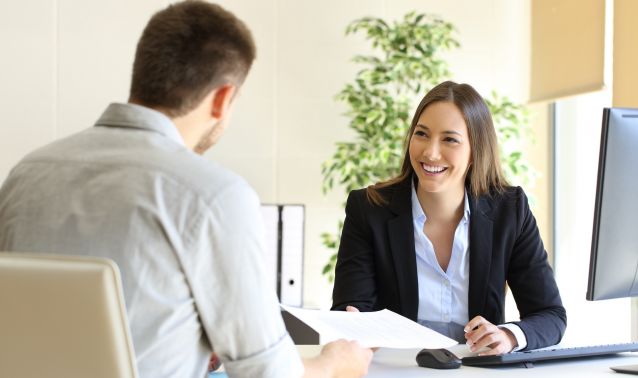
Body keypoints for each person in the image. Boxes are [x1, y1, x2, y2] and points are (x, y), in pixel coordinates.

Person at [0, 1, 372, 377]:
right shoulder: (213, 195)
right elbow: (267, 373)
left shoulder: (26, 174)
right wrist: (337, 364)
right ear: (224, 98)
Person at [331, 81, 566, 355]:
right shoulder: (369, 209)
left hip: (476, 373)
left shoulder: (509, 211)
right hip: (397, 370)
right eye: (421, 134)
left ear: (475, 151)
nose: (430, 152)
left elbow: (550, 315)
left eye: (449, 139)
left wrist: (508, 336)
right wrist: (353, 326)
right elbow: (350, 310)